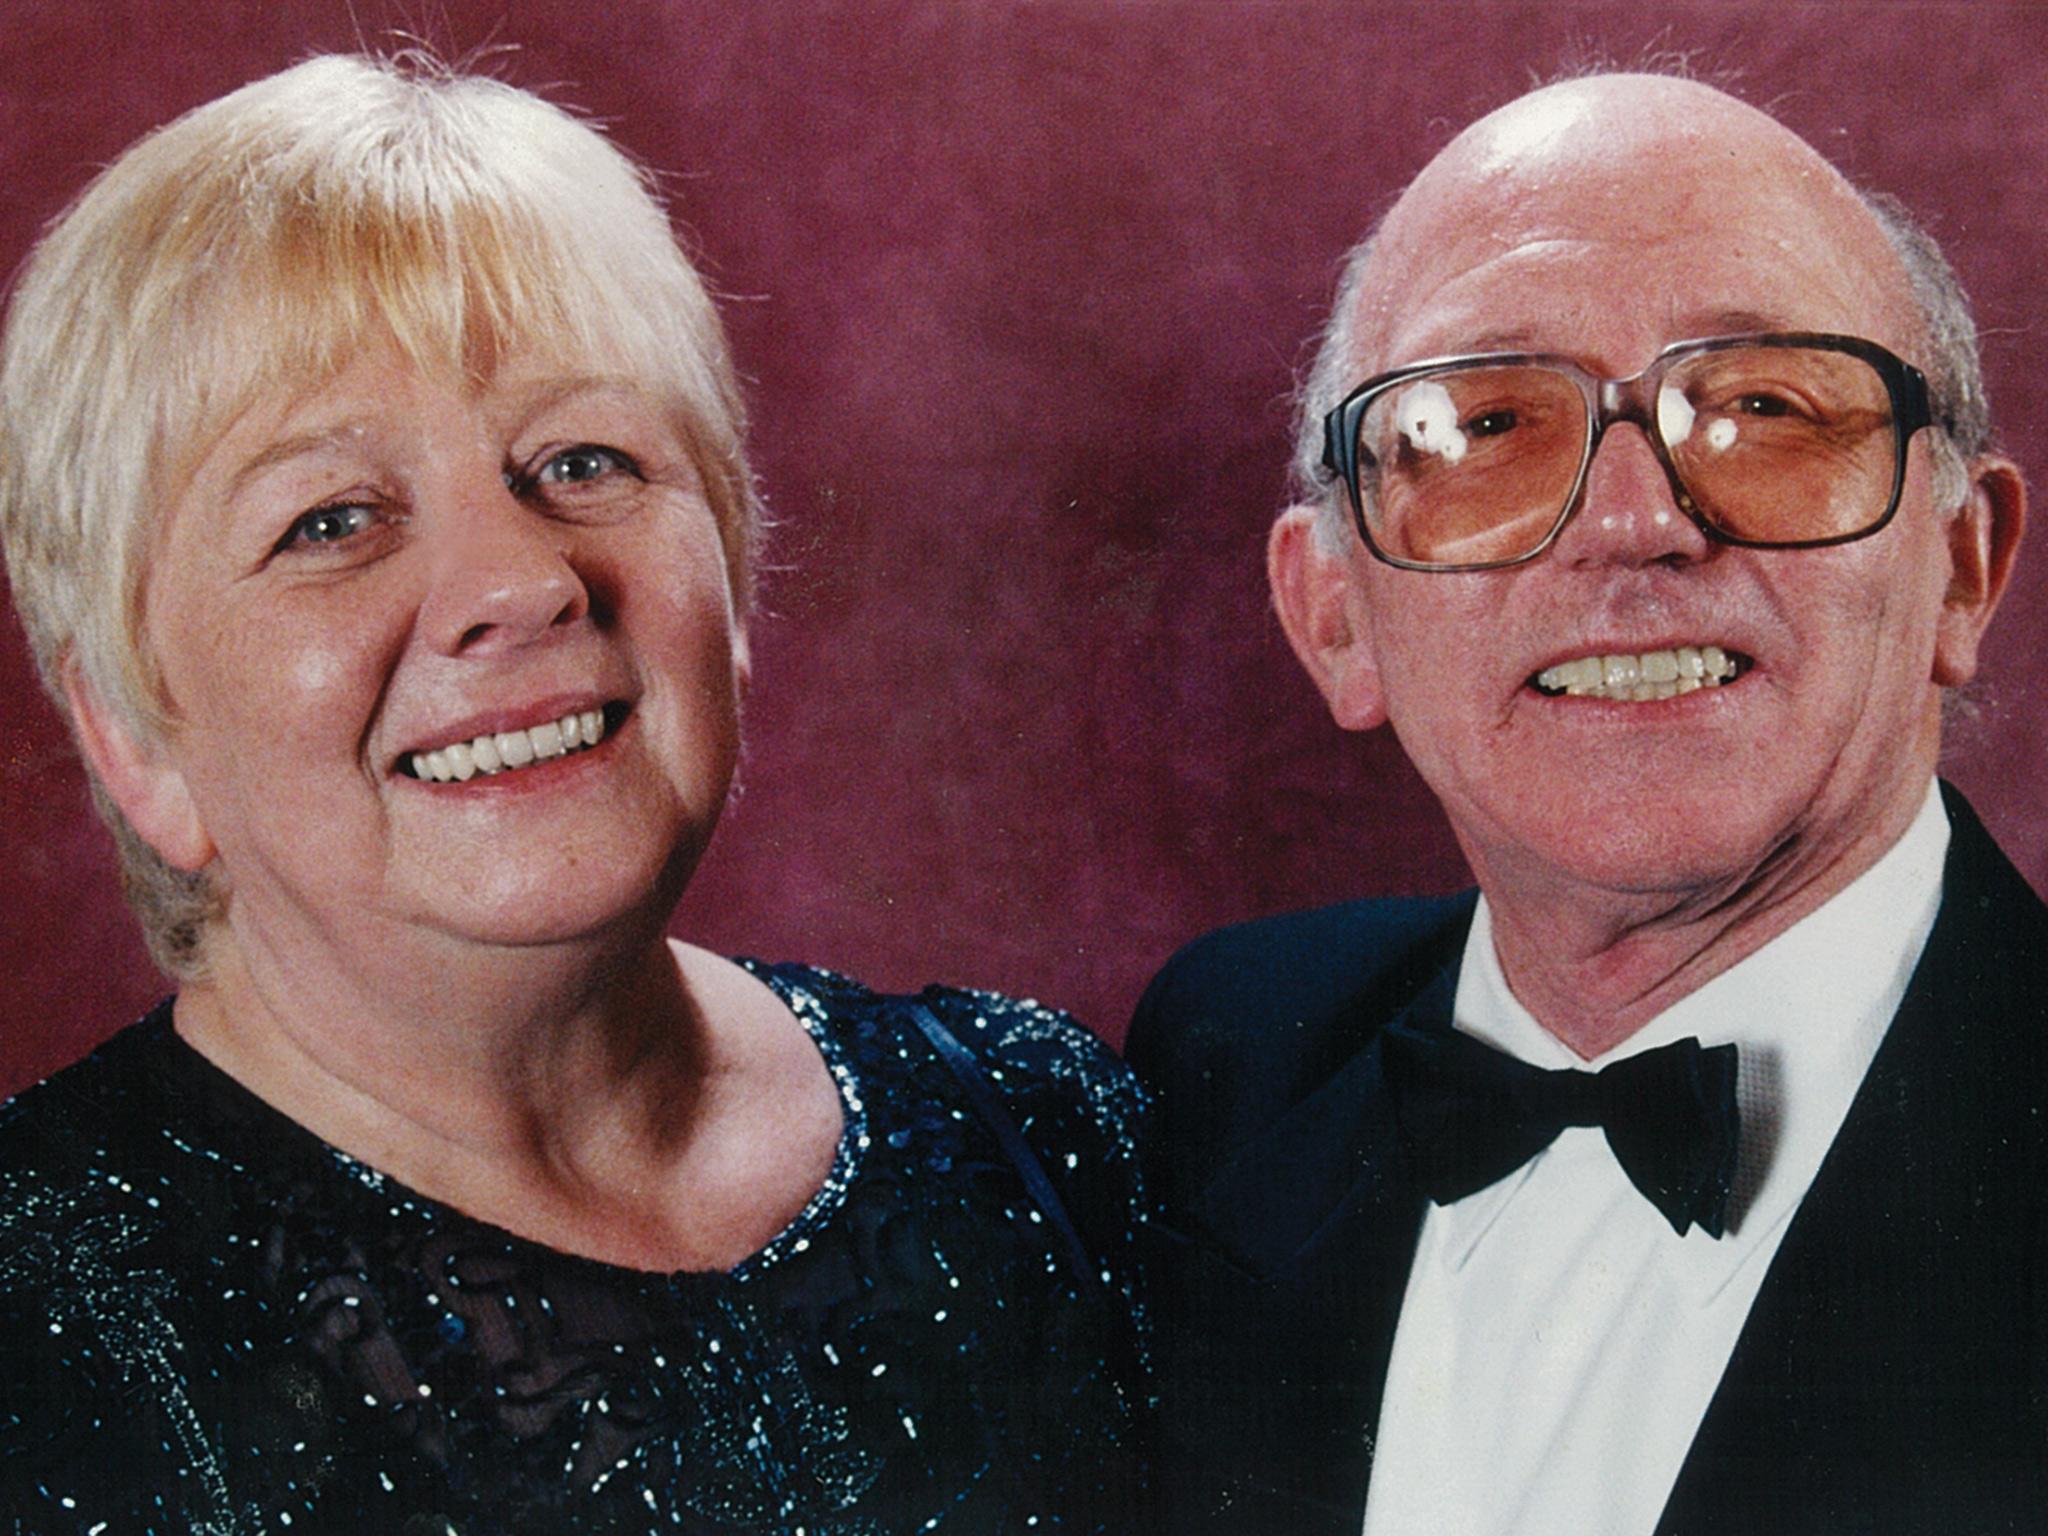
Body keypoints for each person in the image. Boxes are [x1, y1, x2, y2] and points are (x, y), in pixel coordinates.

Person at [0, 55, 1146, 1533]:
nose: (522, 583)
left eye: (581, 460)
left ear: (731, 576)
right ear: (134, 737)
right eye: (331, 520)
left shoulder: (1046, 1125)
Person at [1127, 71, 2038, 1535]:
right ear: (1335, 617)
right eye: (1486, 428)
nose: (1636, 525)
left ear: (1966, 567)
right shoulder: (1227, 1065)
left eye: (1764, 404)